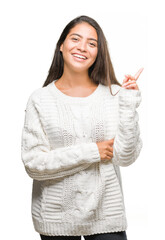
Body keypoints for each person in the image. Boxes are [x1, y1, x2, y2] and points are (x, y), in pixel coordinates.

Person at [21, 15, 143, 240]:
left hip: (106, 214)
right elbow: (33, 164)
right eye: (75, 38)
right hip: (55, 217)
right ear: (62, 45)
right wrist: (92, 152)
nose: (82, 47)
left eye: (92, 43)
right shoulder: (40, 99)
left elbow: (124, 157)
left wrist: (128, 103)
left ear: (99, 52)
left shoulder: (114, 95)